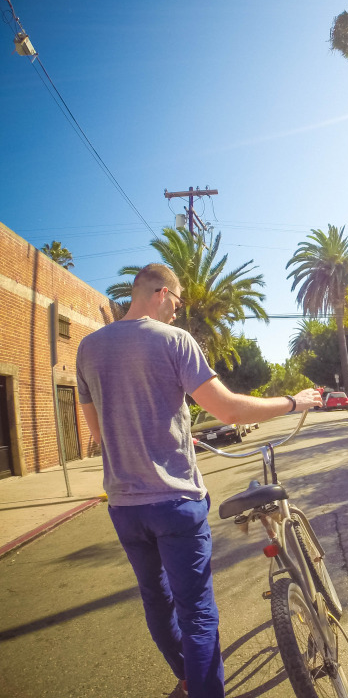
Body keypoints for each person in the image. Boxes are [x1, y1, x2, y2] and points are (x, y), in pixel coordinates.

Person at [76, 263, 321, 698]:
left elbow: (99, 434)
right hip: (174, 500)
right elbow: (228, 411)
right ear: (159, 293)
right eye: (178, 300)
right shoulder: (174, 341)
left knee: (156, 600)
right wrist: (291, 400)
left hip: (125, 506)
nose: (177, 310)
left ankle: (187, 677)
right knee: (198, 614)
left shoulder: (88, 348)